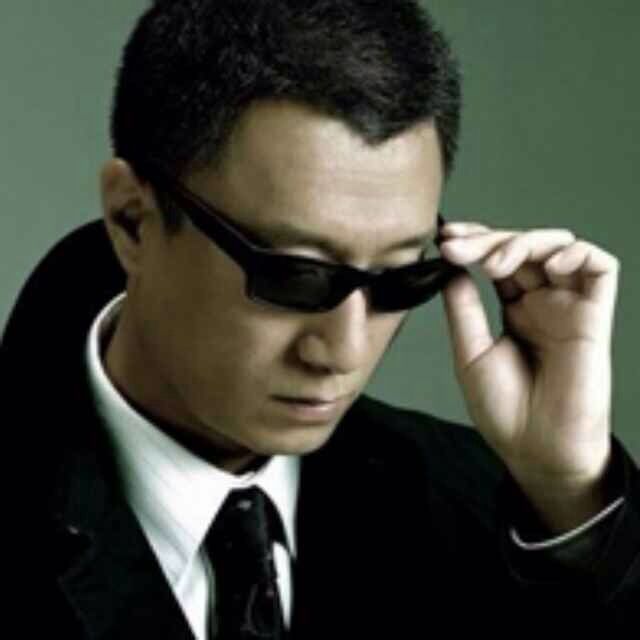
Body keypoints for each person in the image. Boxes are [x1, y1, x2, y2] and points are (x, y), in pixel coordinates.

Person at [1, 0, 637, 637]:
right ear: (132, 220)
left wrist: (569, 496)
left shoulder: (483, 506)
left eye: (398, 279)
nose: (344, 352)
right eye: (294, 276)